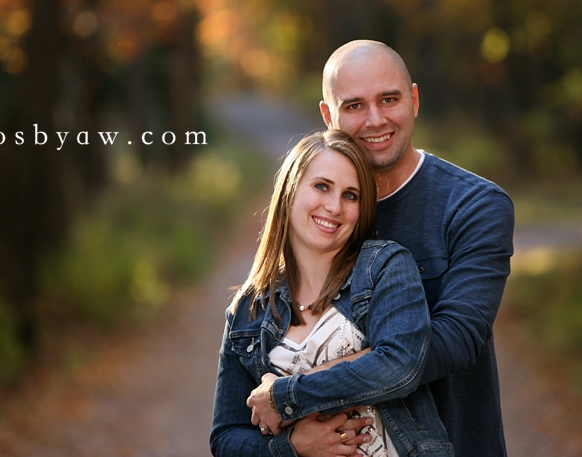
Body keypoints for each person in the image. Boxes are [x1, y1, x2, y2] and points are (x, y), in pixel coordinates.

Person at [311, 40, 514, 457]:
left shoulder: (473, 206)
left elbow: (455, 339)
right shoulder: (313, 216)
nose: (375, 119)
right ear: (328, 116)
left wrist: (304, 389)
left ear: (414, 100)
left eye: (389, 99)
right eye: (353, 106)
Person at [210, 130, 452, 457]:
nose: (334, 206)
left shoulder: (384, 267)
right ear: (290, 191)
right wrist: (293, 446)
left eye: (351, 195)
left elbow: (400, 364)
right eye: (322, 186)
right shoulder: (248, 310)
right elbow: (226, 439)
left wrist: (282, 397)